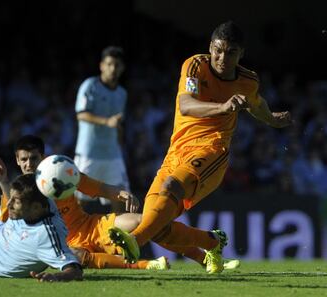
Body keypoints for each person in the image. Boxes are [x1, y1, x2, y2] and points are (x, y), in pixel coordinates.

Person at [108, 20, 292, 274]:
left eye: (231, 52)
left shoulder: (248, 80)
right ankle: (212, 243)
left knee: (170, 188)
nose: (222, 57)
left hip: (212, 150)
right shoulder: (195, 65)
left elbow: (255, 104)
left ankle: (135, 241)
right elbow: (186, 105)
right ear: (210, 47)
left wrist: (272, 119)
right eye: (218, 49)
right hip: (176, 151)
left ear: (242, 54)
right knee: (156, 224)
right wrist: (223, 107)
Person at [0, 135, 239, 271]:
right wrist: (3, 183)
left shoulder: (59, 172)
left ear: (43, 157)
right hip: (62, 244)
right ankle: (146, 266)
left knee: (144, 222)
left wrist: (120, 194)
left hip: (92, 227)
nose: (28, 164)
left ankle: (204, 257)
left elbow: (96, 187)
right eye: (23, 159)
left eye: (33, 158)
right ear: (16, 160)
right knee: (75, 256)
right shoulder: (19, 190)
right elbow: (4, 221)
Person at [74, 46, 129, 213]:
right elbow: (81, 114)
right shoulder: (90, 85)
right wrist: (107, 121)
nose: (113, 69)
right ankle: (71, 239)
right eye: (109, 64)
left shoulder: (122, 93)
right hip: (88, 154)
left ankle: (117, 239)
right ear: (102, 66)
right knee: (78, 203)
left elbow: (118, 123)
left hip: (113, 155)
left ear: (122, 68)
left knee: (120, 200)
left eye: (117, 65)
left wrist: (120, 140)